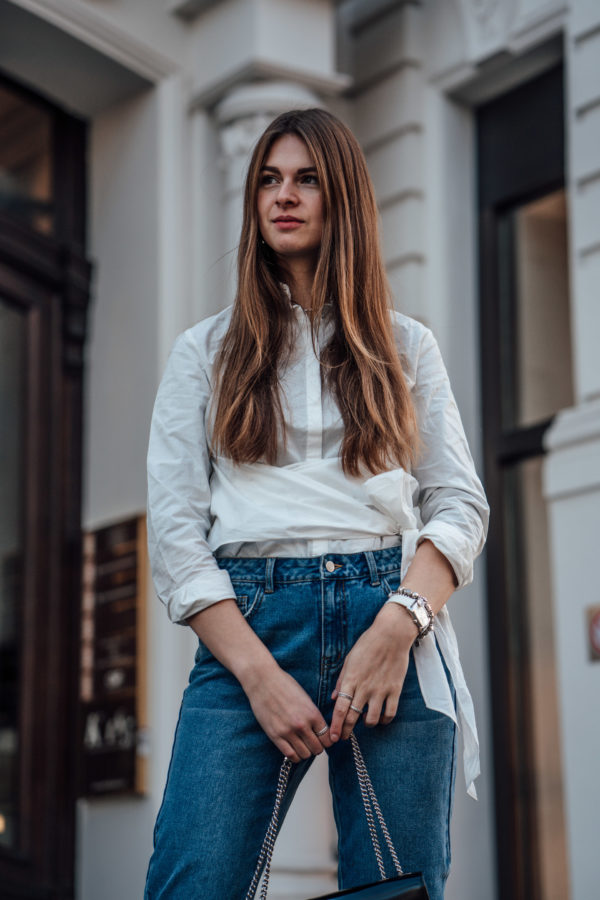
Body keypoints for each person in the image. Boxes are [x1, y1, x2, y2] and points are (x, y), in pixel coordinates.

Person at [144, 108, 489, 900]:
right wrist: (259, 676)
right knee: (192, 882)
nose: (283, 196)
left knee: (395, 892)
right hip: (250, 627)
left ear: (343, 199)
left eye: (305, 179)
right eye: (268, 180)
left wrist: (400, 628)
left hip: (391, 621)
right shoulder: (205, 350)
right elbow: (176, 536)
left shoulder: (407, 347)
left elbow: (459, 508)